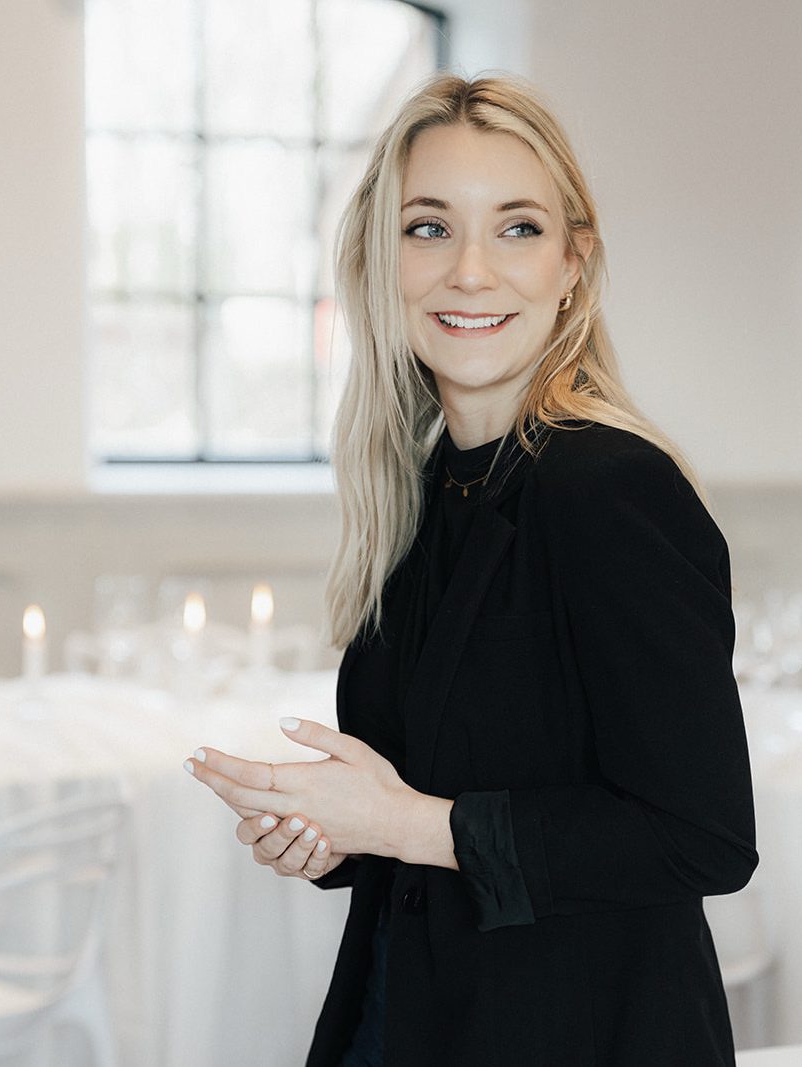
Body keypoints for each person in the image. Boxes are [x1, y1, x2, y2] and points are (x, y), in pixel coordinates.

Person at [185, 73, 758, 1066]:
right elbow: (437, 791)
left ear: (573, 263)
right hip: (409, 1016)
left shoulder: (607, 486)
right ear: (381, 259)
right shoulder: (423, 489)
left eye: (517, 228)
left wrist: (405, 823)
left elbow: (700, 834)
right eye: (429, 228)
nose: (470, 272)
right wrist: (335, 834)